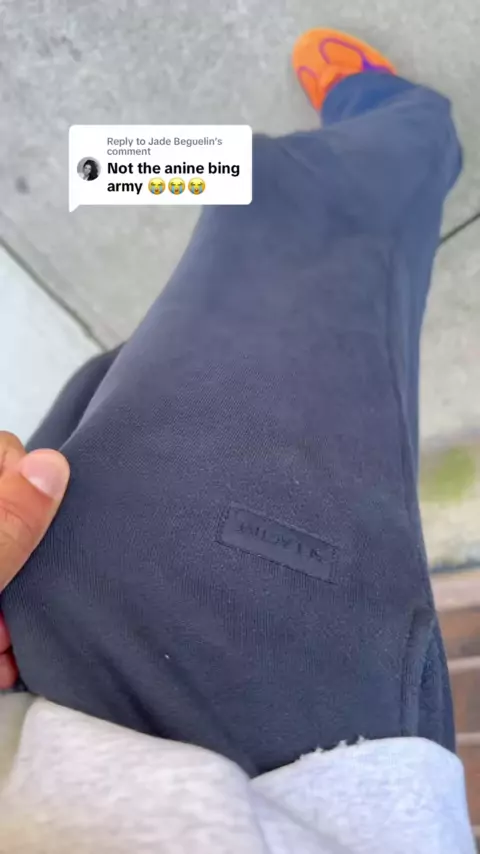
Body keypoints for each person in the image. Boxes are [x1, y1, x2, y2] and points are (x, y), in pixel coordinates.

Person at [0, 28, 475, 853]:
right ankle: (409, 124)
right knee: (282, 209)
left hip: (32, 728)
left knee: (109, 380)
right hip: (260, 761)